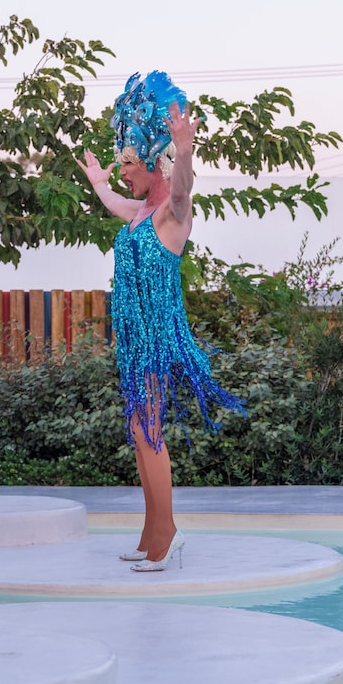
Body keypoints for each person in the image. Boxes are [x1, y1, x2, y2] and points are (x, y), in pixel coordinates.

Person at [76, 71, 244, 572]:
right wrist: (100, 185)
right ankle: (151, 533)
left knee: (148, 429)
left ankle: (167, 534)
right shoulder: (138, 213)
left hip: (155, 338)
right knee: (139, 427)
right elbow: (115, 203)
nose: (123, 171)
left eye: (128, 163)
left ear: (153, 161)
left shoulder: (173, 214)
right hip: (133, 340)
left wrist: (184, 151)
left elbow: (182, 190)